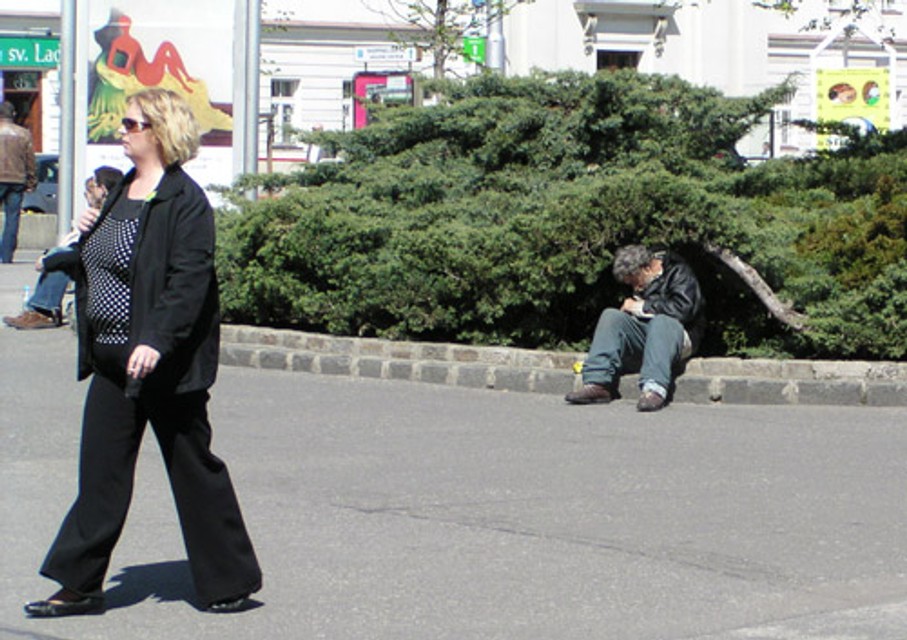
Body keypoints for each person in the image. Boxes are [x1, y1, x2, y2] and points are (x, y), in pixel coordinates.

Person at [24, 89, 262, 618]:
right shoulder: (120, 191)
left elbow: (188, 281)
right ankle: (79, 585)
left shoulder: (184, 201)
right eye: (123, 123)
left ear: (160, 131)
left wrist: (156, 339)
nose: (122, 131)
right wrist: (76, 245)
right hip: (112, 361)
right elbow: (108, 265)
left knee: (194, 469)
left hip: (163, 365)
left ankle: (229, 580)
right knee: (100, 475)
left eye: (131, 124)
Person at [565, 244, 705, 412]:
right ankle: (597, 383)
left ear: (647, 269)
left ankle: (654, 389)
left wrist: (642, 307)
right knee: (611, 316)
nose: (635, 288)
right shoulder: (644, 280)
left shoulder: (679, 272)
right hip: (648, 335)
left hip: (678, 336)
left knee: (661, 321)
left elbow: (683, 310)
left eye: (635, 281)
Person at [3, 167, 123, 330]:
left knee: (61, 259)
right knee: (58, 255)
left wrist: (48, 261)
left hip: (105, 266)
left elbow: (83, 252)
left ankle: (44, 311)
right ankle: (41, 308)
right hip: (93, 259)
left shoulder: (111, 215)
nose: (87, 193)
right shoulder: (101, 212)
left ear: (103, 189)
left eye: (92, 186)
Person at [0, 101, 38, 264]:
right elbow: (30, 160)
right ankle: (6, 256)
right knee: (12, 218)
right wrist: (31, 180)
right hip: (16, 179)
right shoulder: (23, 134)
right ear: (13, 114)